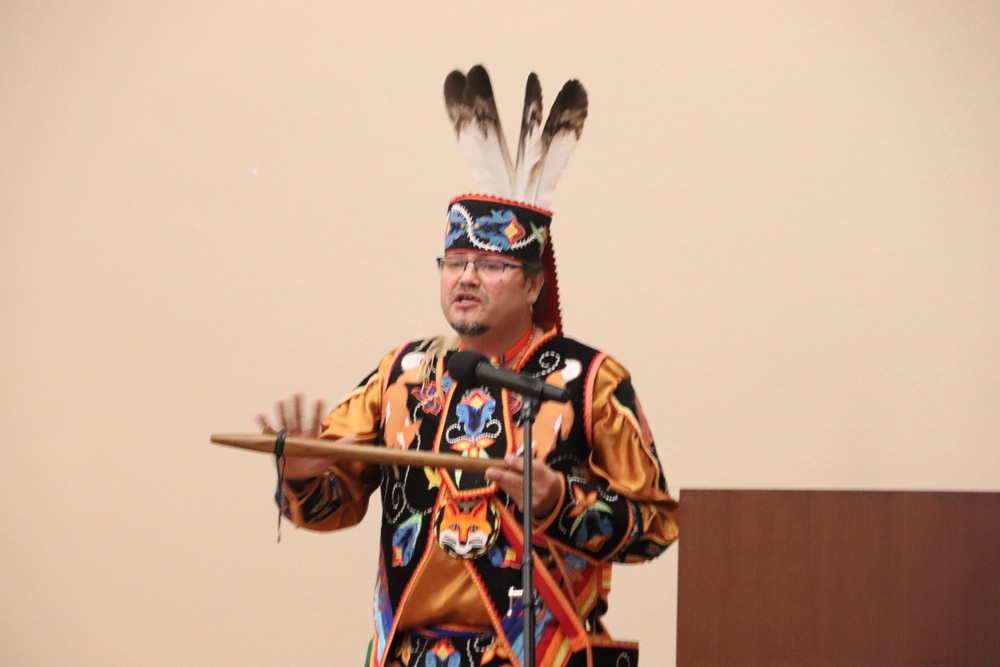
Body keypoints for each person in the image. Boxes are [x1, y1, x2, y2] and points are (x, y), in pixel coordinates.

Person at [260, 65, 679, 667]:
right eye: (454, 262)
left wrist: (560, 501)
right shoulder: (401, 373)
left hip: (544, 656)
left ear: (534, 283)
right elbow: (334, 505)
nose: (465, 278)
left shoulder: (587, 381)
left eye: (489, 264)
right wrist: (302, 476)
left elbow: (657, 526)